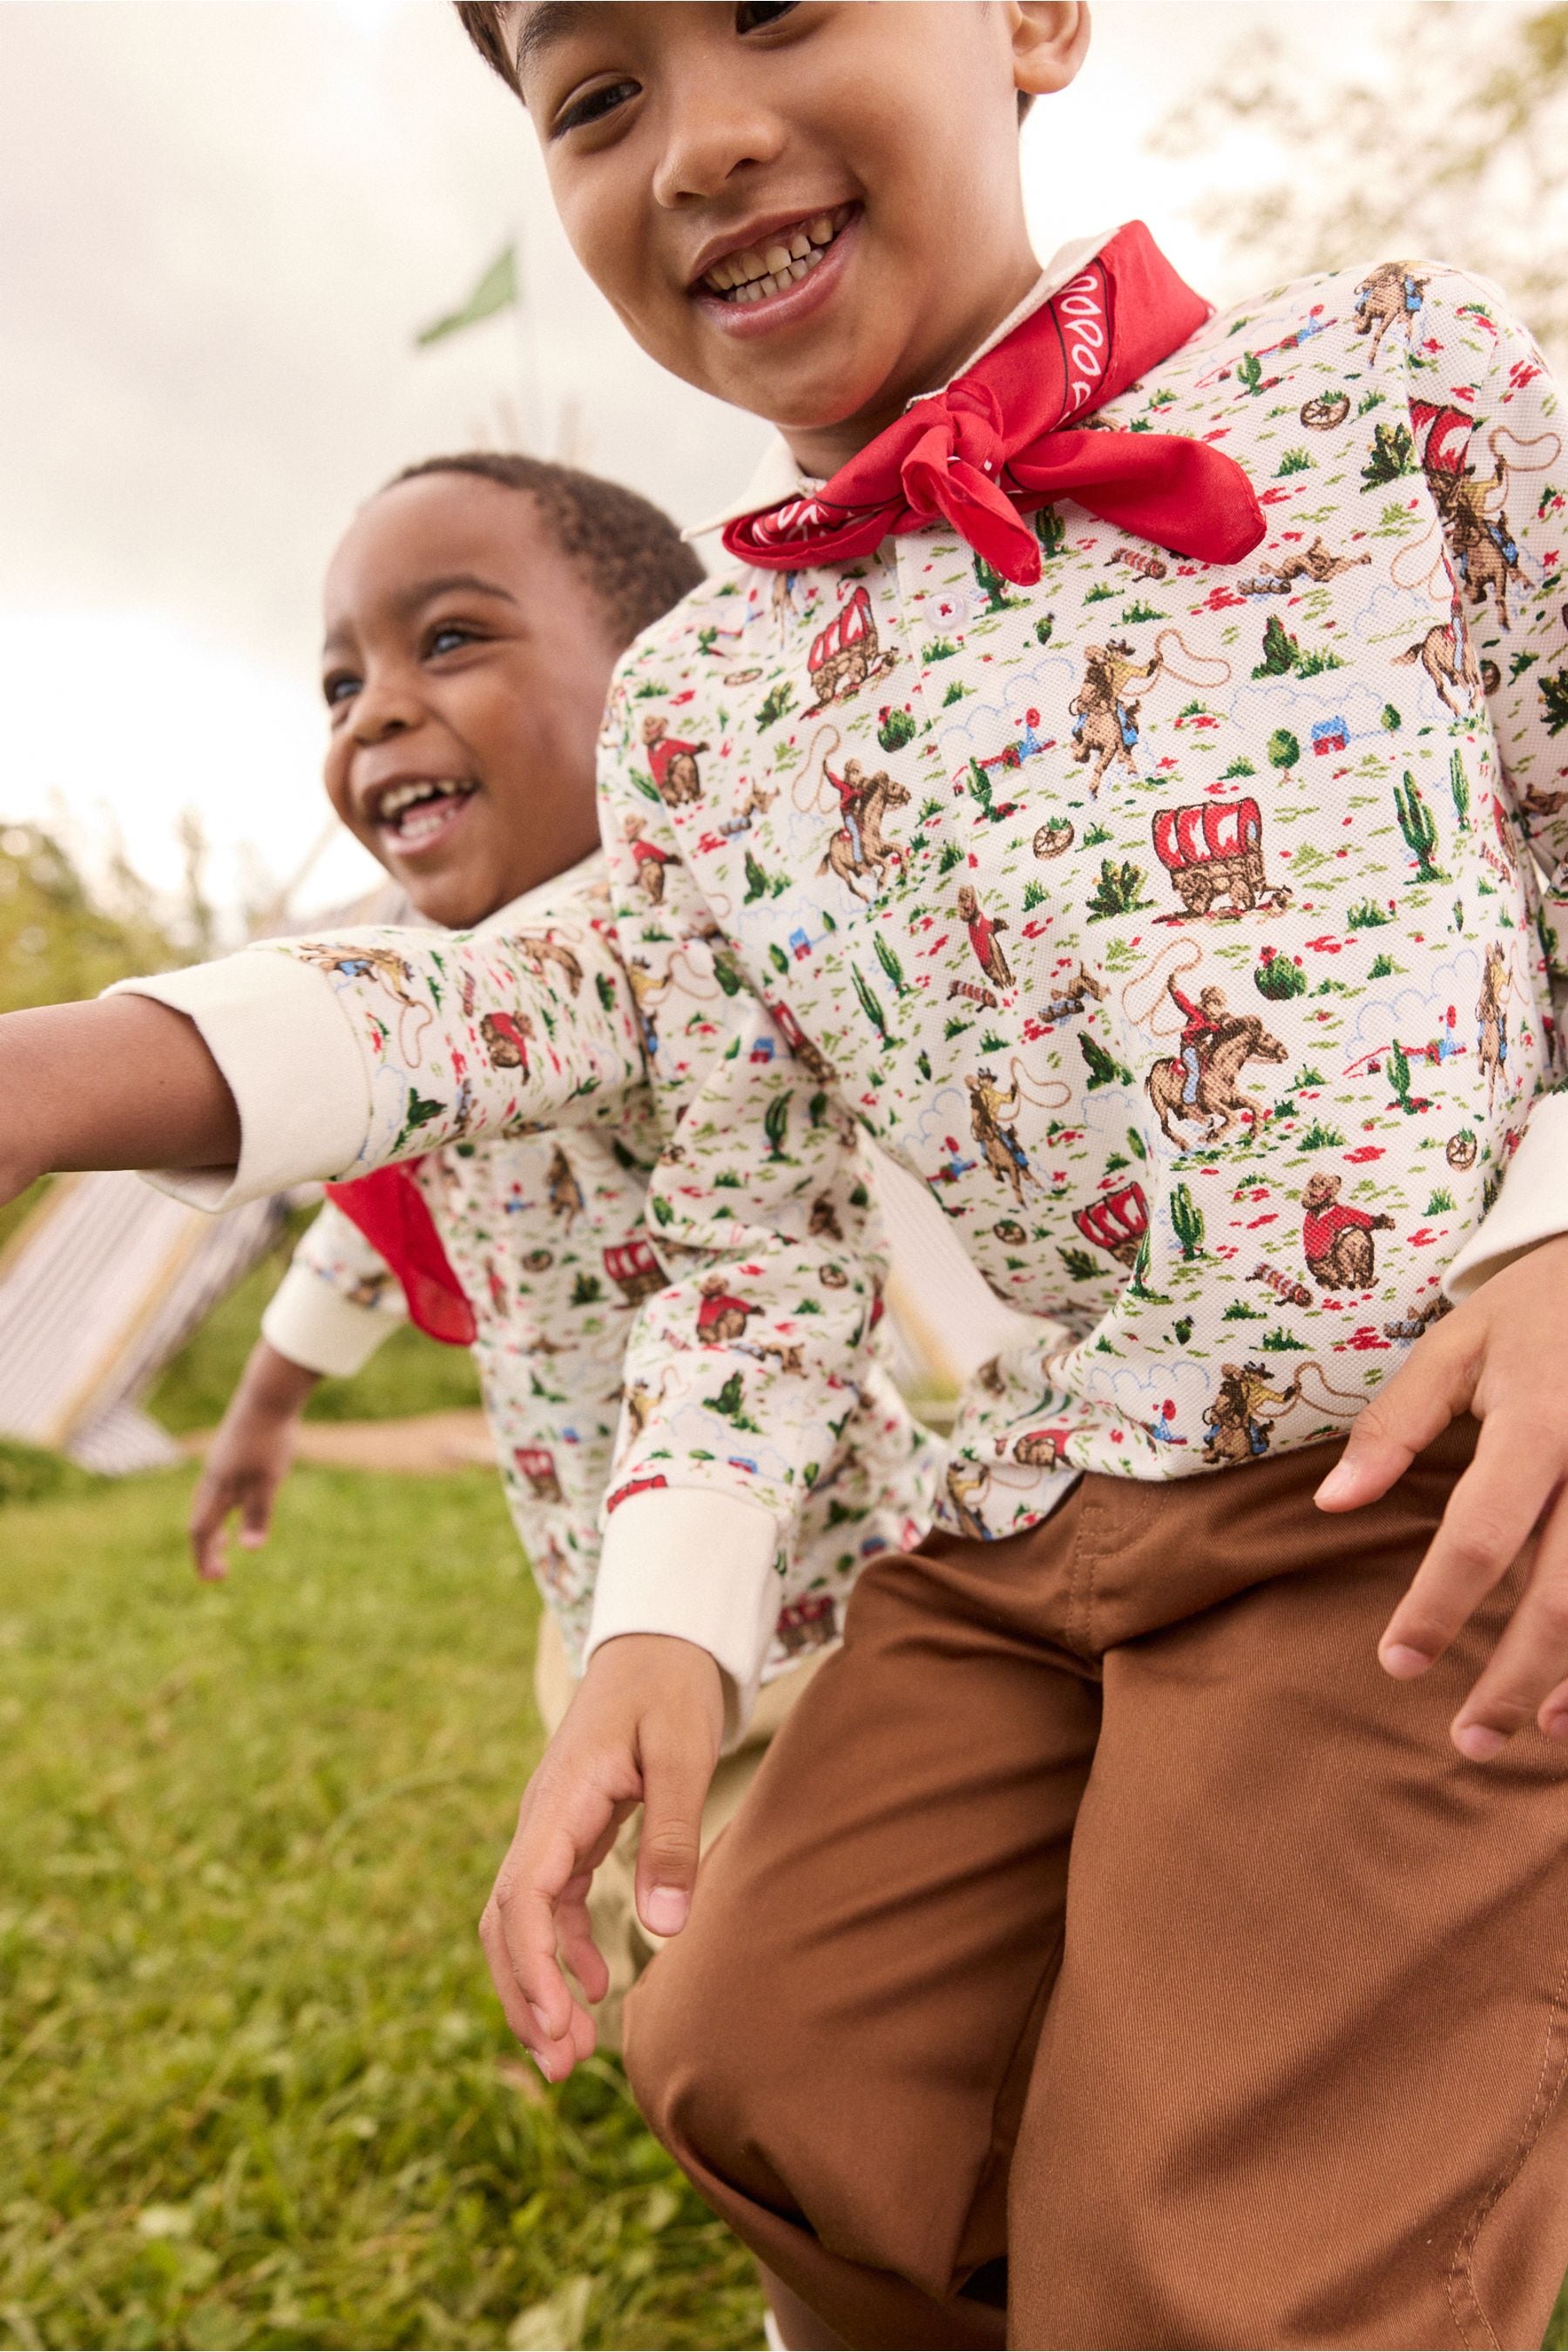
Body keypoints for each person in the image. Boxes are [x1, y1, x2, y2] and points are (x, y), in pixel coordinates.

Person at [426, 7, 1568, 2347]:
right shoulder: (703, 707)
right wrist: (666, 1611)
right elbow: (752, 1235)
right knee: (763, 2061)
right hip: (1037, 1502)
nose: (708, 139)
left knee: (1208, 2254)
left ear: (1034, 17)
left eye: (776, 10)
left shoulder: (1388, 384)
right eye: (598, 94)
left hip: (1420, 1473)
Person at [45, 446, 937, 2052]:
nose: (374, 710)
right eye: (340, 680)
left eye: (448, 640)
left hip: (824, 1611)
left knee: (812, 2013)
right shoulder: (417, 957)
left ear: (660, 696)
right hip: (587, 1593)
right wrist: (262, 1409)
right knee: (662, 1956)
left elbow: (401, 1030)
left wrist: (39, 1084)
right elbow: (367, 1234)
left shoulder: (674, 929)